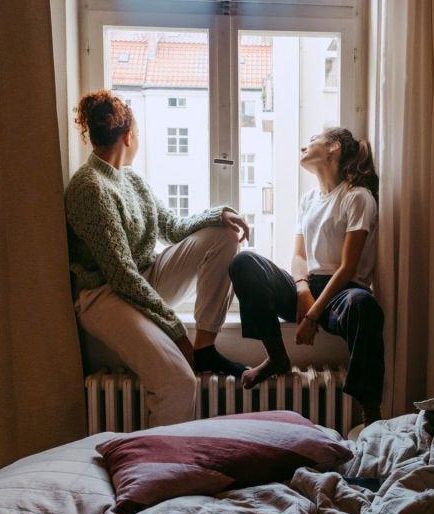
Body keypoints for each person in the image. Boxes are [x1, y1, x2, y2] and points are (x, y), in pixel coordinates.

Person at [66, 90, 249, 427]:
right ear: (128, 136)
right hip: (104, 296)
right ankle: (160, 471)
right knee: (178, 383)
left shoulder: (131, 178)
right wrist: (176, 330)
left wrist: (219, 214)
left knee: (223, 235)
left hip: (144, 278)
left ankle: (206, 346)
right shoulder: (89, 188)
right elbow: (120, 274)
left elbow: (172, 227)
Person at [228, 127, 384, 424]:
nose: (304, 146)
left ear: (334, 148)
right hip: (309, 287)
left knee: (366, 307)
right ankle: (277, 357)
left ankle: (370, 409)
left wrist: (313, 315)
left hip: (343, 292)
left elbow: (348, 267)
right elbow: (299, 256)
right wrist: (302, 291)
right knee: (245, 261)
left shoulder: (358, 198)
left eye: (312, 141)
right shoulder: (309, 199)